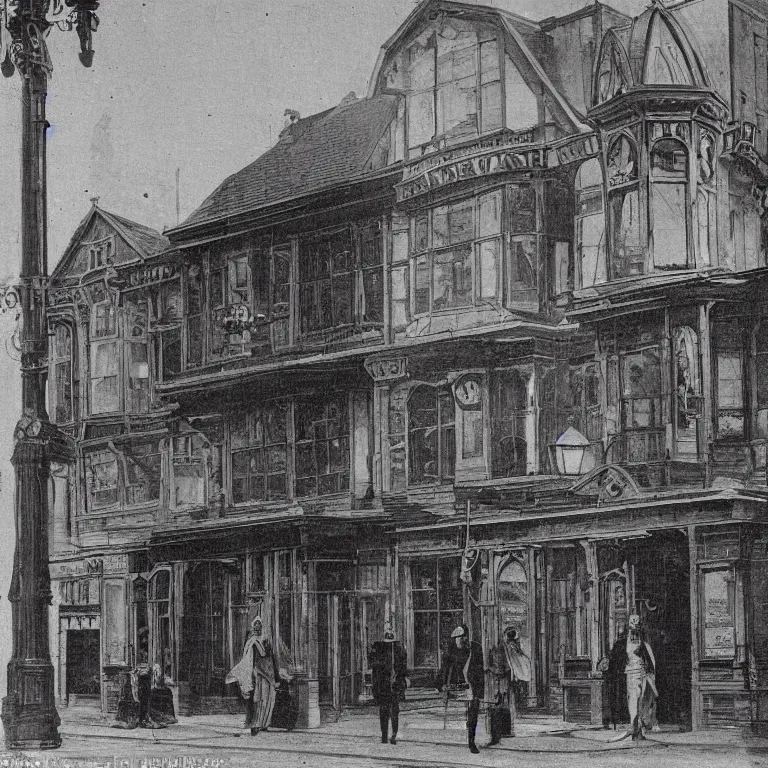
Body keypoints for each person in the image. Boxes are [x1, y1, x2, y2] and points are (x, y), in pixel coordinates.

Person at [607, 614, 657, 740]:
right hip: (629, 676)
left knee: (642, 702)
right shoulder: (622, 644)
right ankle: (634, 727)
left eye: (636, 627)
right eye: (631, 628)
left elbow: (650, 662)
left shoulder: (644, 645)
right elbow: (615, 659)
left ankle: (638, 730)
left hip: (642, 675)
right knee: (633, 701)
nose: (634, 632)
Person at [436, 624, 484, 754]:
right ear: (455, 639)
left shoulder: (476, 649)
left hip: (471, 687)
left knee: (472, 715)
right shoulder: (450, 652)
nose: (463, 640)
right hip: (457, 688)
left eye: (465, 637)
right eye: (460, 638)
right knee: (456, 715)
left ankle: (471, 742)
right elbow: (444, 669)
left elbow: (480, 672)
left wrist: (480, 691)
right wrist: (440, 685)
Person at [226, 616, 278, 735]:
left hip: (265, 673)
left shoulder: (262, 640)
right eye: (256, 625)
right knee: (259, 699)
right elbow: (258, 656)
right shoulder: (253, 641)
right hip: (258, 674)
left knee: (266, 699)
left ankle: (263, 723)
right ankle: (256, 724)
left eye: (259, 625)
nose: (257, 628)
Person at [487, 625, 531, 745]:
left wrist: (491, 669)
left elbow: (504, 667)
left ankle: (504, 731)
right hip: (512, 680)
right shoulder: (515, 648)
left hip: (505, 681)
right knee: (508, 704)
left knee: (502, 705)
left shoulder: (505, 648)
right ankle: (507, 730)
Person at [368, 624, 408, 745]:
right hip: (384, 686)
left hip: (393, 685)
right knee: (385, 711)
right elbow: (375, 672)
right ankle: (385, 735)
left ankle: (393, 735)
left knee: (394, 711)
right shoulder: (379, 651)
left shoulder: (398, 650)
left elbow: (402, 669)